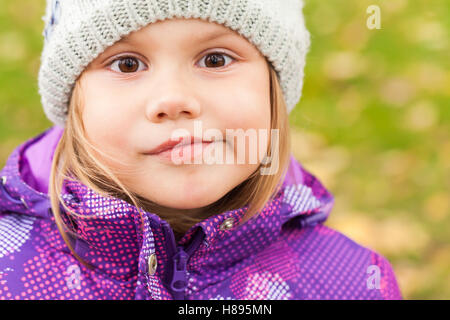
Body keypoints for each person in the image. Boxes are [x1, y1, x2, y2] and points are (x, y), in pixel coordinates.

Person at [0, 0, 402, 300]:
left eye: (214, 59)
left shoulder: (352, 282)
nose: (174, 100)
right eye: (127, 64)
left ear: (273, 89)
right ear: (74, 102)